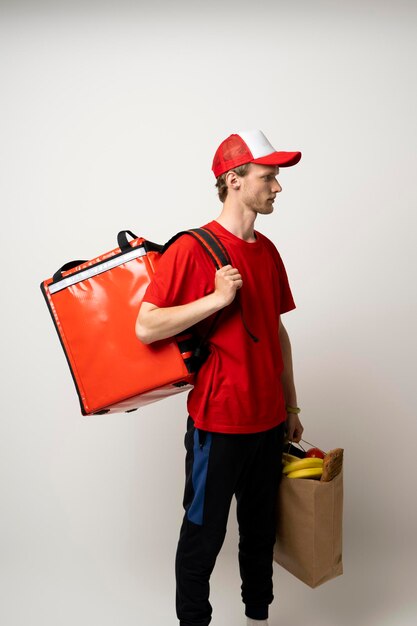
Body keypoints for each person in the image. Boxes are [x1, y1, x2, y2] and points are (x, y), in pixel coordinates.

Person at [135, 129, 304, 626]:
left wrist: (291, 406)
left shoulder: (268, 251)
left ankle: (258, 616)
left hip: (269, 421)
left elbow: (277, 332)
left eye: (276, 177)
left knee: (260, 532)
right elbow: (145, 326)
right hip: (219, 423)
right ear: (234, 179)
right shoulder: (192, 248)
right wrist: (215, 299)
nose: (277, 187)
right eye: (267, 176)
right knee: (203, 533)